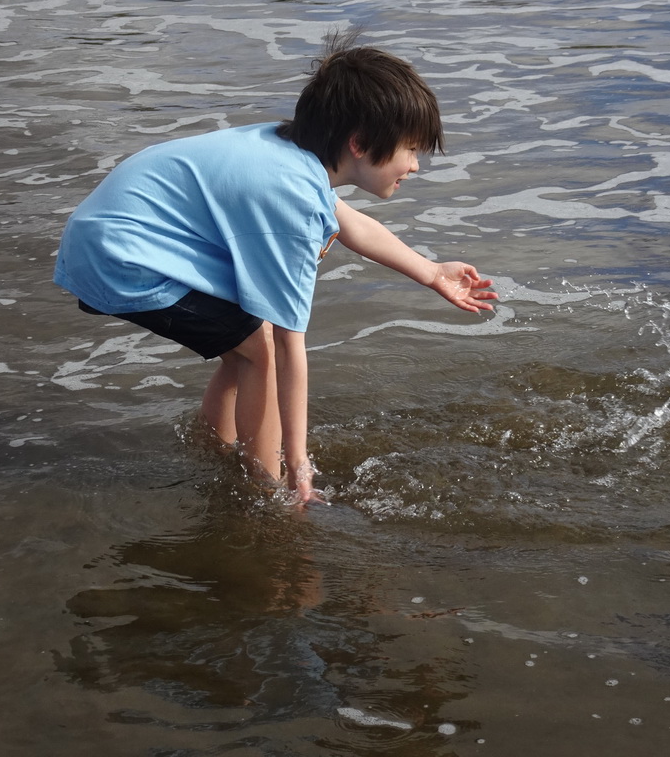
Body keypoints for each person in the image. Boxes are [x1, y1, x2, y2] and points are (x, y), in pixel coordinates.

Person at [53, 34, 497, 503]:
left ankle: (215, 446)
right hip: (120, 257)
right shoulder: (290, 199)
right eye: (410, 149)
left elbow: (350, 223)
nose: (416, 166)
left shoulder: (291, 153)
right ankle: (267, 492)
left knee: (245, 335)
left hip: (113, 237)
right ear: (361, 143)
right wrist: (300, 466)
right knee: (259, 349)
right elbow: (290, 349)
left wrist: (430, 272)